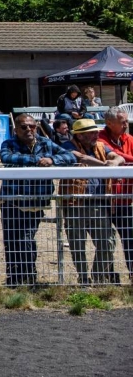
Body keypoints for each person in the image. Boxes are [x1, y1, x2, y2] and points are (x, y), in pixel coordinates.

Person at [0, 114, 77, 287]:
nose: (29, 130)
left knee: (26, 238)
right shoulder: (9, 144)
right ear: (16, 130)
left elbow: (70, 156)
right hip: (12, 201)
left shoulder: (45, 143)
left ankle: (28, 276)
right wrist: (37, 161)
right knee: (11, 241)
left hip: (36, 202)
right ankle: (13, 279)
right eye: (24, 127)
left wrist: (52, 160)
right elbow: (6, 157)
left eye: (32, 126)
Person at [60, 119, 121, 285]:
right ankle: (83, 279)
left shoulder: (100, 146)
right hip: (75, 204)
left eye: (96, 131)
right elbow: (81, 158)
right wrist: (105, 165)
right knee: (77, 244)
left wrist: (114, 162)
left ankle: (98, 277)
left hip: (99, 204)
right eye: (91, 132)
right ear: (79, 135)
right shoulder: (67, 147)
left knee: (108, 243)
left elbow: (117, 157)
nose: (96, 135)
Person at [98, 108, 133, 282]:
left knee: (130, 238)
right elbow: (109, 152)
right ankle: (108, 276)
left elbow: (118, 156)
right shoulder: (100, 138)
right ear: (110, 123)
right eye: (123, 121)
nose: (126, 124)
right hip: (104, 199)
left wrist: (122, 157)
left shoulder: (129, 139)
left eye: (126, 121)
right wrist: (128, 158)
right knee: (105, 240)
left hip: (125, 199)